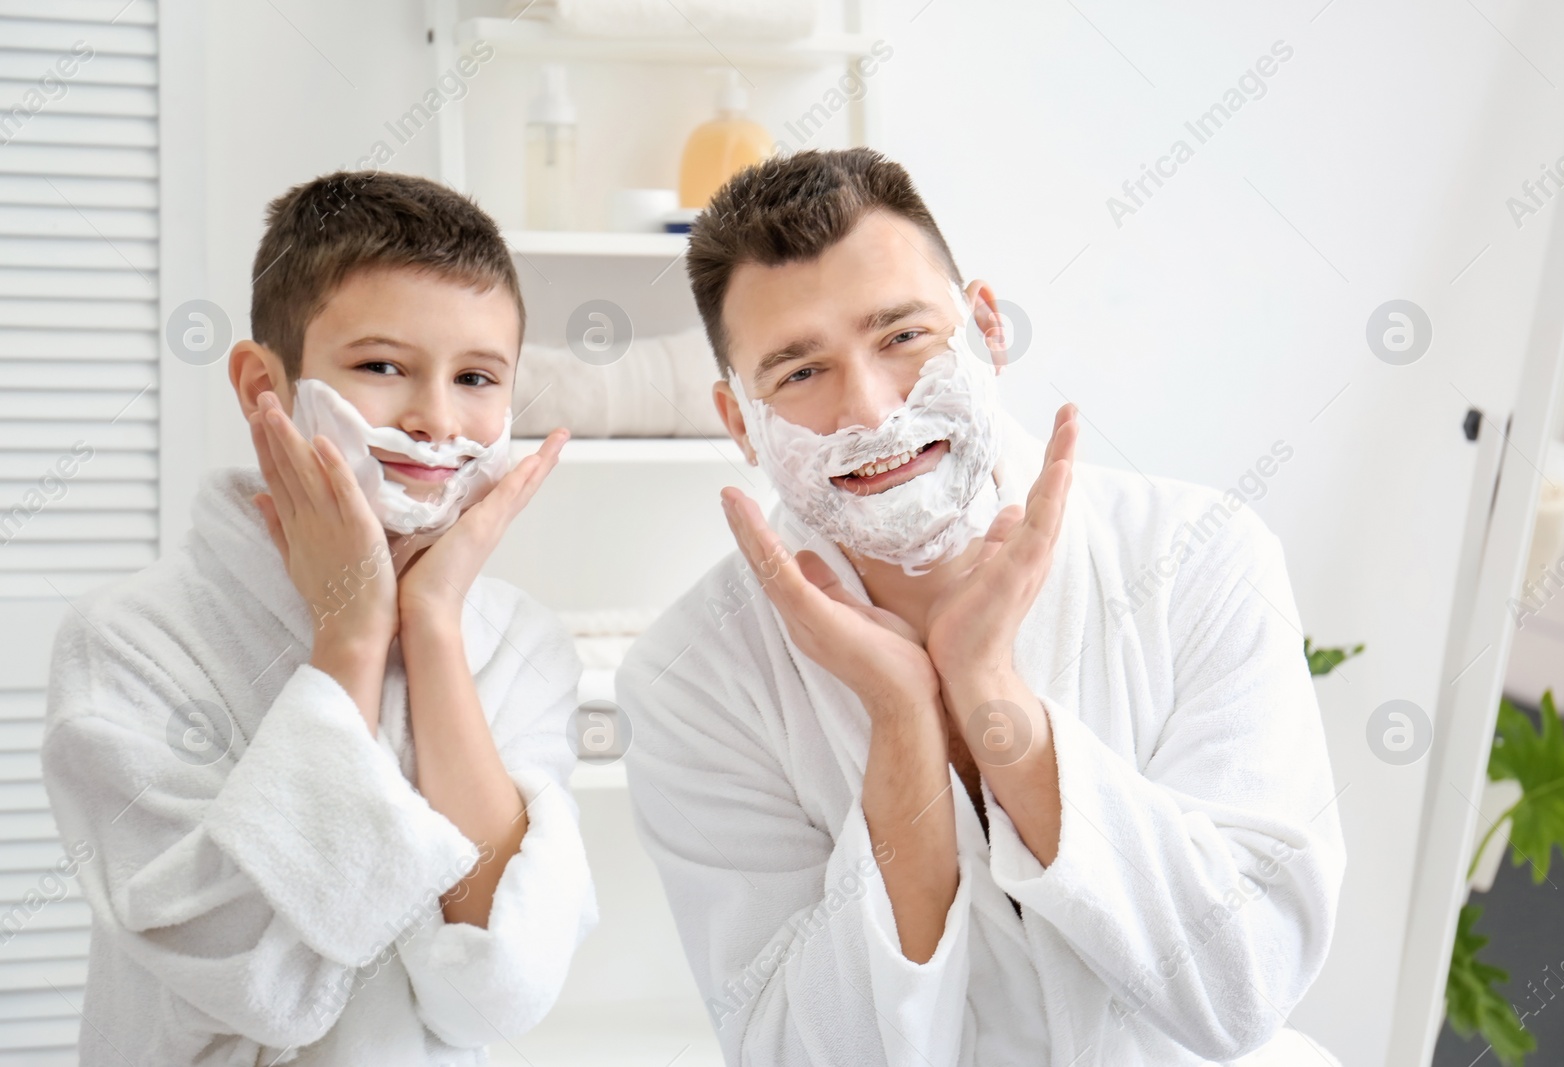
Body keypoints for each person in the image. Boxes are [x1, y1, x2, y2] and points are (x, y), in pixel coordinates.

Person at [616, 147, 1346, 1066]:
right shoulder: (693, 681)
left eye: (902, 338)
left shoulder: (1201, 555)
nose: (871, 410)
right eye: (800, 373)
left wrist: (991, 691)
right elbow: (796, 1052)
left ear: (987, 328)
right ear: (738, 423)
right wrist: (901, 720)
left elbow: (1245, 982)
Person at [41, 171, 596, 1066]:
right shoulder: (127, 644)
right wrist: (350, 635)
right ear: (266, 382)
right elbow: (258, 983)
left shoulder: (520, 646)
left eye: (478, 377)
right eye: (383, 366)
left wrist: (436, 628)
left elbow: (501, 995)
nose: (436, 419)